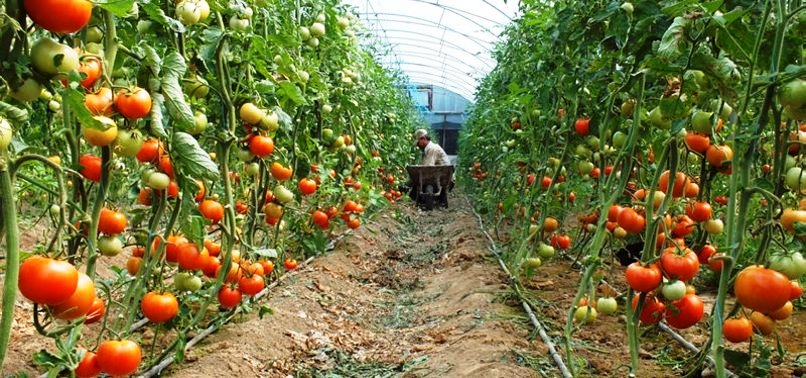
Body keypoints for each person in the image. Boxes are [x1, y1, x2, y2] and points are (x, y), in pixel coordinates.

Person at [407, 129, 452, 208]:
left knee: (419, 179)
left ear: (423, 139)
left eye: (418, 142)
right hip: (443, 176)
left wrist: (412, 181)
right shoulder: (428, 149)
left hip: (439, 177)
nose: (418, 145)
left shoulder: (432, 149)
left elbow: (428, 168)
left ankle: (416, 197)